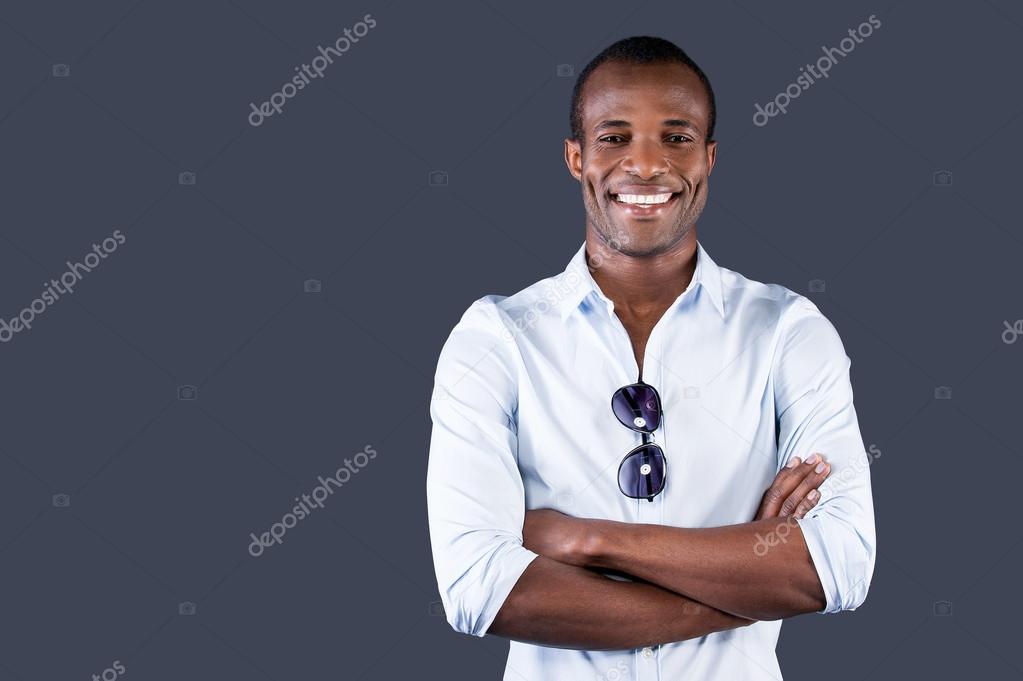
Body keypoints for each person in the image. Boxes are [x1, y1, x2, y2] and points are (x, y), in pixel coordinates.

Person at [426, 35, 876, 680]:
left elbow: (842, 565)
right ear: (575, 157)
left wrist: (587, 540)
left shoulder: (787, 332)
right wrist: (747, 577)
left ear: (710, 157)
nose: (646, 165)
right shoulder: (496, 337)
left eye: (676, 137)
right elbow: (478, 589)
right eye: (614, 137)